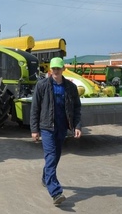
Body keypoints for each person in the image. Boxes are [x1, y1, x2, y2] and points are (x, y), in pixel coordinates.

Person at [30, 57, 82, 206]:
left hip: (62, 127)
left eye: (59, 68)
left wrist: (77, 126)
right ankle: (55, 192)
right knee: (51, 155)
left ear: (63, 69)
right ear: (50, 70)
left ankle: (45, 178)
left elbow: (77, 107)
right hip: (47, 127)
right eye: (54, 69)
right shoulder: (42, 86)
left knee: (56, 156)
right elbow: (35, 108)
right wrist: (34, 129)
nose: (56, 71)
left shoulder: (70, 87)